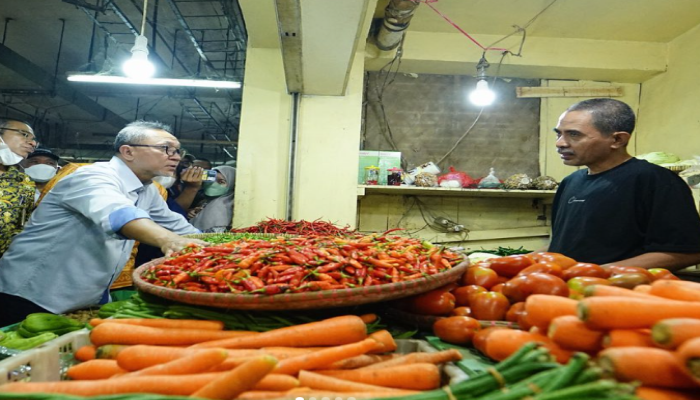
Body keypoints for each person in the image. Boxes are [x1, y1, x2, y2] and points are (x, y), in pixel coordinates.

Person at [0, 120, 206, 325]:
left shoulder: (147, 189)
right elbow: (120, 215)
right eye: (166, 149)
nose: (176, 157)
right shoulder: (92, 176)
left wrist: (223, 247)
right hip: (31, 293)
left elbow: (178, 226)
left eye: (178, 151)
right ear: (128, 152)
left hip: (78, 297)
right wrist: (169, 240)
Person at [548, 98, 700, 271]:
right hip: (567, 291)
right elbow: (563, 247)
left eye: (574, 134)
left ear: (617, 140)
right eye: (558, 133)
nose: (560, 143)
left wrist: (598, 273)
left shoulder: (655, 180)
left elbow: (688, 252)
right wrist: (525, 262)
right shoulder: (571, 182)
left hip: (620, 294)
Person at [0, 118, 37, 257]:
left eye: (34, 139)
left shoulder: (24, 182)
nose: (32, 143)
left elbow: (22, 227)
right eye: (24, 134)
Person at [189, 166, 236, 232]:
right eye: (211, 180)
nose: (213, 184)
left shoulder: (221, 207)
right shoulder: (208, 202)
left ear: (232, 185)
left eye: (221, 182)